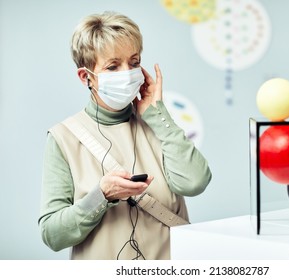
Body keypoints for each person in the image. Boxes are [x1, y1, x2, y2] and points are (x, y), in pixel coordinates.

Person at [38, 11, 212, 260]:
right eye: (112, 66)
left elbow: (195, 182)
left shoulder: (156, 124)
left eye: (133, 62)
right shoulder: (63, 138)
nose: (127, 73)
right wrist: (101, 195)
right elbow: (52, 234)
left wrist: (157, 114)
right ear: (86, 77)